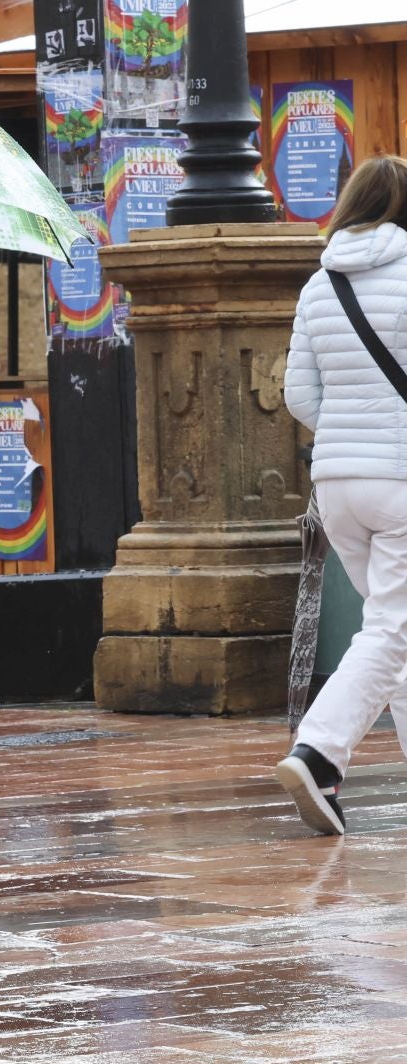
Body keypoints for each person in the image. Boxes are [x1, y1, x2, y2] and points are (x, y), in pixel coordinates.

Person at [278, 155, 407, 836]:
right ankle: (320, 752)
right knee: (390, 630)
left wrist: (351, 434)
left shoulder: (317, 283)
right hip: (401, 482)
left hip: (337, 485)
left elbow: (299, 395)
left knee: (396, 632)